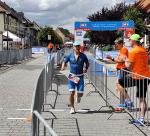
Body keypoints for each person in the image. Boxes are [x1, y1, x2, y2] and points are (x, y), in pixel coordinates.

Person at [119, 34, 150, 125]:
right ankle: (129, 102)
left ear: (134, 41)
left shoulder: (133, 51)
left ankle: (141, 118)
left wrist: (125, 59)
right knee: (120, 82)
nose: (129, 41)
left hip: (140, 76)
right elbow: (143, 62)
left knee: (142, 99)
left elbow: (129, 66)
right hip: (143, 76)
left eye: (130, 40)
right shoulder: (144, 50)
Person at [61, 41, 89, 114]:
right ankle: (72, 108)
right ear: (73, 47)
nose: (77, 47)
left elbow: (87, 63)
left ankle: (78, 96)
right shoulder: (70, 55)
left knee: (80, 94)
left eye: (78, 46)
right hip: (72, 76)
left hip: (80, 76)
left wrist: (86, 68)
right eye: (76, 46)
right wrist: (63, 66)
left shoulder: (83, 56)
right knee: (71, 93)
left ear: (80, 47)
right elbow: (64, 61)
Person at [106, 38, 132, 110]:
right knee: (120, 87)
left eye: (116, 44)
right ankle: (123, 104)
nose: (115, 45)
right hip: (120, 69)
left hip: (122, 70)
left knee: (120, 86)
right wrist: (112, 60)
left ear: (120, 44)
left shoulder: (124, 49)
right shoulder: (121, 50)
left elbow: (121, 61)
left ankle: (126, 102)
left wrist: (112, 58)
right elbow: (119, 61)